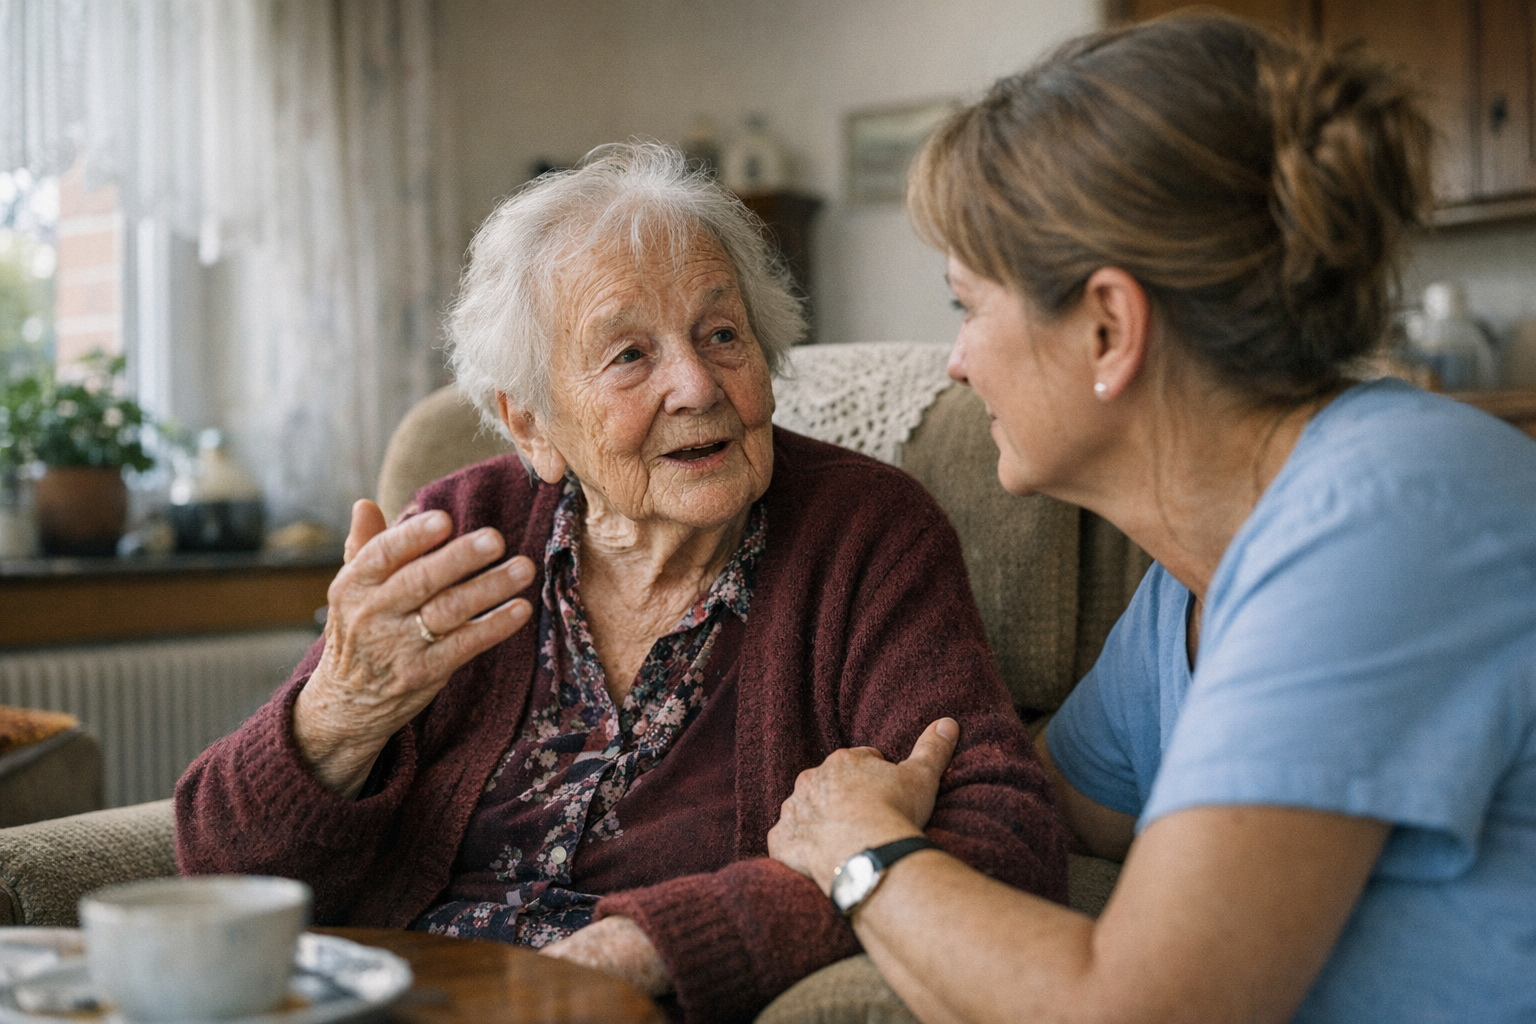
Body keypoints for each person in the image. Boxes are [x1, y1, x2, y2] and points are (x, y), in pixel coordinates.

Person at [175, 143, 1066, 1024]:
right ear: (534, 424)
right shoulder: (462, 530)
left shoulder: (862, 536)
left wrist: (642, 947)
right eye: (630, 355)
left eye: (722, 335)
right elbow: (217, 870)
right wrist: (340, 707)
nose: (694, 385)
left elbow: (1001, 836)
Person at [768, 13, 1536, 1024]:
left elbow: (1138, 1008)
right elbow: (1035, 806)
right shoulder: (1188, 587)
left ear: (1108, 327)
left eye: (968, 305)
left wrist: (861, 852)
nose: (956, 360)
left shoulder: (1386, 515)